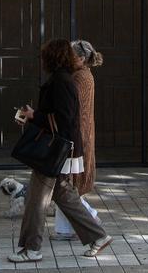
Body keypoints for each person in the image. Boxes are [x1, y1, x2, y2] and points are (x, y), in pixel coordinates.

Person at [9, 39, 113, 263]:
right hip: (59, 150)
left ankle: (31, 249)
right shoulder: (62, 79)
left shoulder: (62, 81)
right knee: (64, 194)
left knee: (36, 200)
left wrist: (34, 116)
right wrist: (32, 115)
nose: (41, 59)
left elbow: (64, 119)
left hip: (54, 151)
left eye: (44, 55)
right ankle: (98, 236)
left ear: (53, 58)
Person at [53, 39, 103, 240]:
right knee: (66, 184)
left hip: (77, 138)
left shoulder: (81, 78)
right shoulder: (80, 75)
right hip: (77, 136)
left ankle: (90, 218)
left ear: (81, 58)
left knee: (68, 185)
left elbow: (75, 110)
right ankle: (65, 230)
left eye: (71, 56)